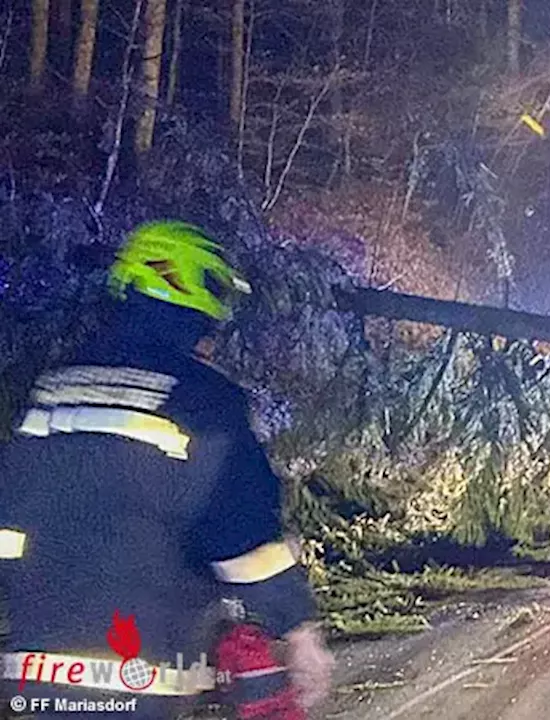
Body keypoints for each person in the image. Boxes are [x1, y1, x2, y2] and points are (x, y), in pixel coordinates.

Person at [0, 221, 333, 718]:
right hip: (139, 678)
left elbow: (13, 519)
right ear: (193, 297)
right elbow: (242, 537)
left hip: (32, 678)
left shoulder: (52, 391)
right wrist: (299, 632)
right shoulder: (202, 401)